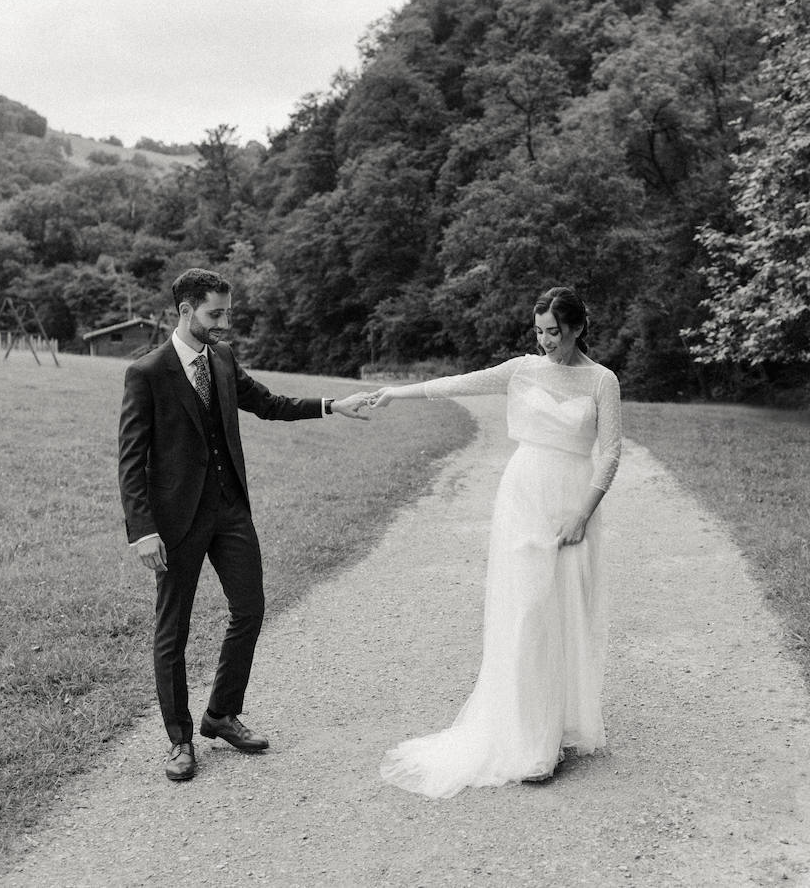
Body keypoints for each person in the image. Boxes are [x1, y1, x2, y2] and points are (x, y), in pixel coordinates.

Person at [118, 267, 371, 782]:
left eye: (227, 312)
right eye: (216, 313)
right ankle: (180, 740)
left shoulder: (225, 360)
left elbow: (269, 404)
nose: (225, 323)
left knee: (250, 609)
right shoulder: (147, 372)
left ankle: (221, 714)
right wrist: (143, 530)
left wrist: (331, 405)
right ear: (186, 311)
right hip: (176, 523)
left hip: (231, 510)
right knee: (174, 629)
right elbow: (130, 459)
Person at [370, 286, 622, 798]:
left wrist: (582, 513)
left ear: (576, 329)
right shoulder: (521, 370)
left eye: (554, 331)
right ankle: (531, 740)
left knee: (563, 610)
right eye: (539, 332)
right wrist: (399, 392)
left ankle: (559, 726)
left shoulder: (602, 381)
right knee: (526, 611)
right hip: (523, 496)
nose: (545, 341)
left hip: (572, 502)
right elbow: (459, 384)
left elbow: (612, 453)